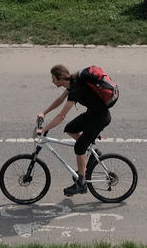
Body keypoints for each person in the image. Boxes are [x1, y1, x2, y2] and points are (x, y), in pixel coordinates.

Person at [37, 64, 111, 196]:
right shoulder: (70, 84)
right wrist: (44, 112)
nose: (52, 81)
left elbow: (61, 116)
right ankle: (93, 152)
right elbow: (60, 100)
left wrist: (44, 129)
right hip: (93, 114)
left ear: (60, 78)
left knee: (80, 147)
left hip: (99, 118)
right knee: (70, 128)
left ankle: (81, 184)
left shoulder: (76, 88)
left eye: (53, 78)